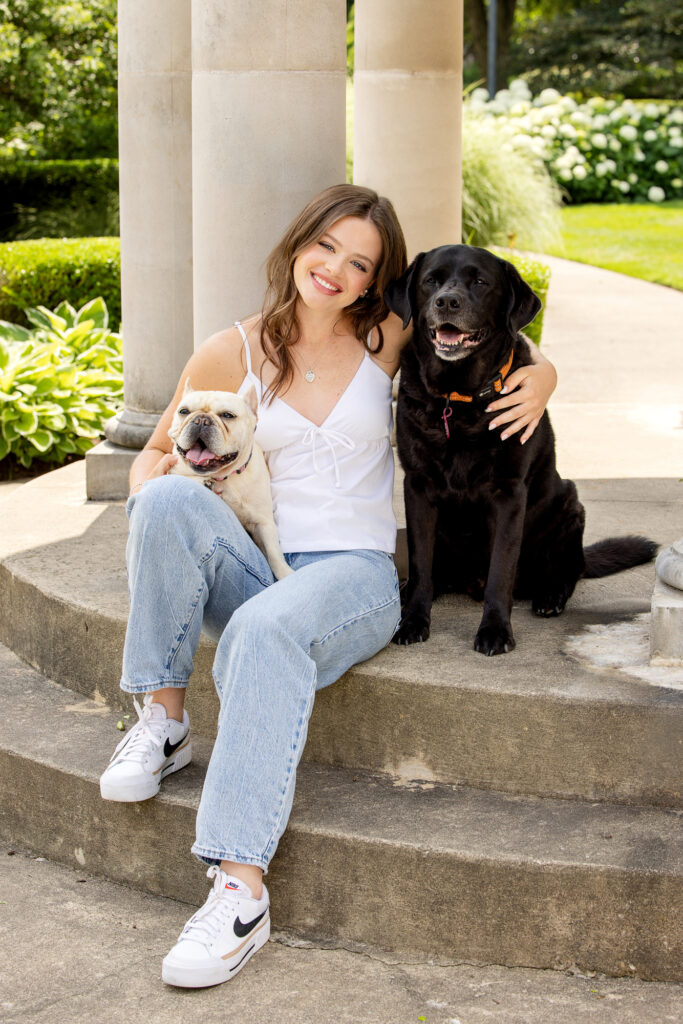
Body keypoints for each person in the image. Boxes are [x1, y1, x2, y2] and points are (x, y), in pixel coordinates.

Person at [99, 184, 557, 988]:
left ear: (378, 279)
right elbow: (151, 455)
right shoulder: (227, 351)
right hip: (252, 562)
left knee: (270, 631)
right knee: (169, 496)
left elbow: (490, 333)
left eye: (360, 263)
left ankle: (239, 892)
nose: (337, 271)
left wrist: (543, 371)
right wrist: (162, 490)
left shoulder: (390, 338)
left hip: (351, 574)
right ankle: (163, 721)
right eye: (326, 249)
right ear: (297, 245)